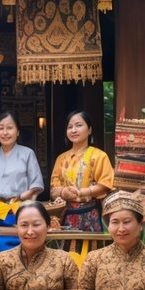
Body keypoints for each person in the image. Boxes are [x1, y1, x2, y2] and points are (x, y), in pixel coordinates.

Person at [0, 110, 45, 256]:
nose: (5, 132)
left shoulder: (27, 154)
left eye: (10, 128)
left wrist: (29, 193)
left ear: (18, 131)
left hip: (20, 214)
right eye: (1, 128)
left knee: (23, 254)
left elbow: (36, 184)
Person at [49, 110, 114, 265]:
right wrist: (64, 192)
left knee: (92, 258)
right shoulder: (61, 158)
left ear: (89, 129)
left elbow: (106, 184)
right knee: (66, 259)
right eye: (70, 126)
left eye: (79, 125)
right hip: (67, 215)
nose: (74, 130)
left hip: (91, 214)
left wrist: (82, 192)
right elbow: (53, 189)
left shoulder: (99, 155)